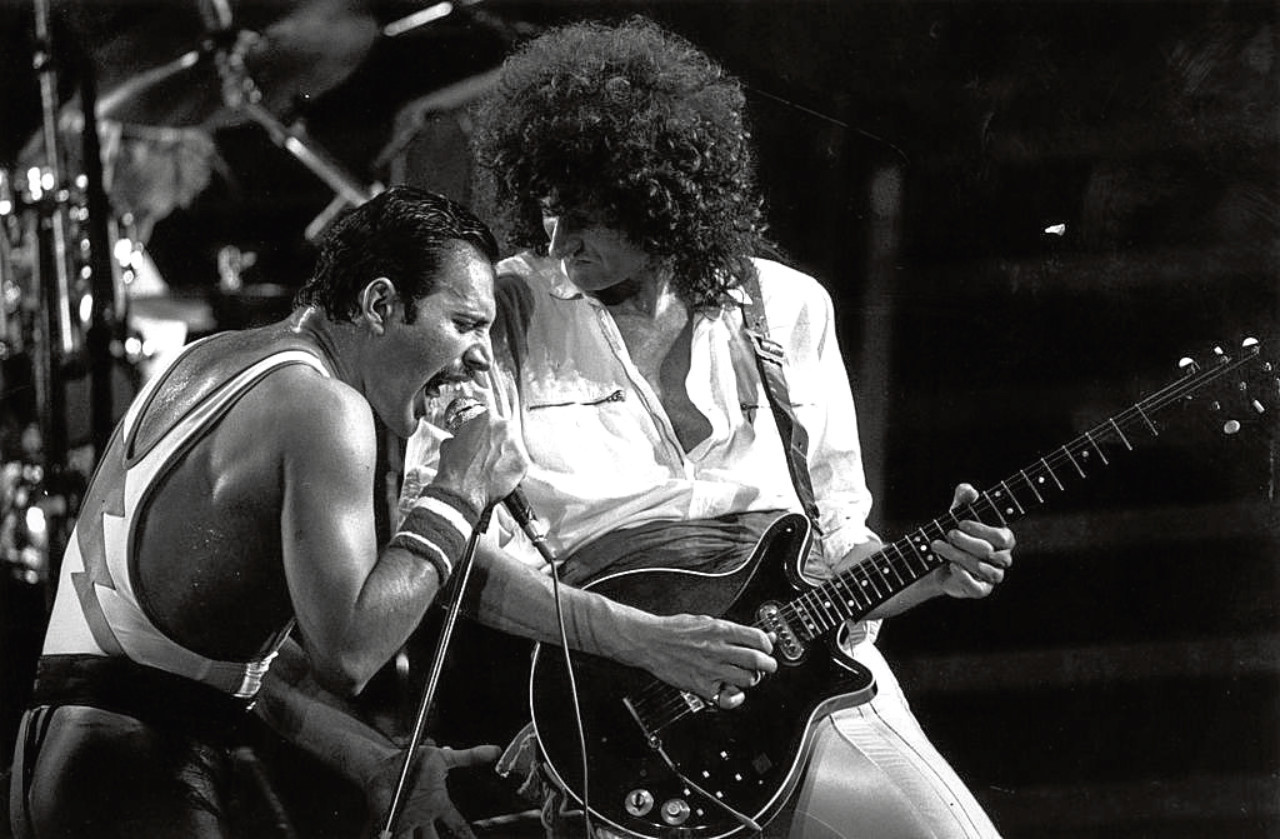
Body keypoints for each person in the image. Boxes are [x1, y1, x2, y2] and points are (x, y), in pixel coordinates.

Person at [404, 18, 1016, 839]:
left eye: (585, 217)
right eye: (548, 211)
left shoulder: (791, 308)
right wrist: (648, 642)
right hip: (616, 719)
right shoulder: (504, 310)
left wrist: (930, 573)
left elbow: (835, 543)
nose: (556, 242)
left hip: (805, 690)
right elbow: (439, 549)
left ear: (659, 195)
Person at [6, 186, 528, 838]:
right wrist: (459, 490)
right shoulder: (326, 408)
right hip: (134, 773)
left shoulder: (205, 362)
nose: (479, 356)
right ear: (380, 303)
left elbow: (239, 663)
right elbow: (350, 653)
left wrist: (376, 763)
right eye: (465, 324)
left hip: (57, 766)